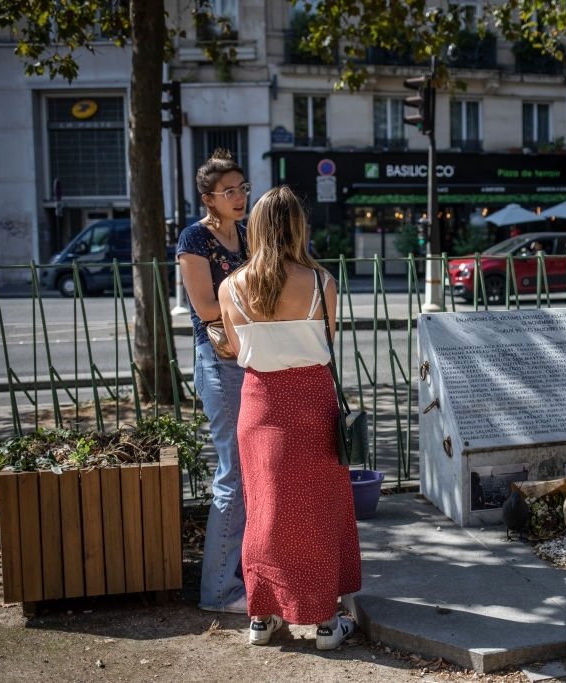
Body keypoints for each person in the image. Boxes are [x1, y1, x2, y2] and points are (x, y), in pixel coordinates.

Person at [217, 186, 361, 650]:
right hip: (311, 401)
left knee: (263, 508)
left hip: (259, 402)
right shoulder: (322, 282)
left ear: (254, 229)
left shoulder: (231, 287)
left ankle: (262, 617)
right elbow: (328, 343)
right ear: (299, 227)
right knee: (318, 510)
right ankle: (324, 621)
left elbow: (238, 351)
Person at [176, 149, 251, 614]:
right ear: (209, 198)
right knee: (234, 476)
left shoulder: (247, 235)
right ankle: (219, 592)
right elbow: (205, 310)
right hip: (221, 363)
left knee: (251, 473)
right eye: (230, 191)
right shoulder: (193, 239)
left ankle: (242, 574)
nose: (240, 196)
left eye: (243, 187)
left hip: (251, 358)